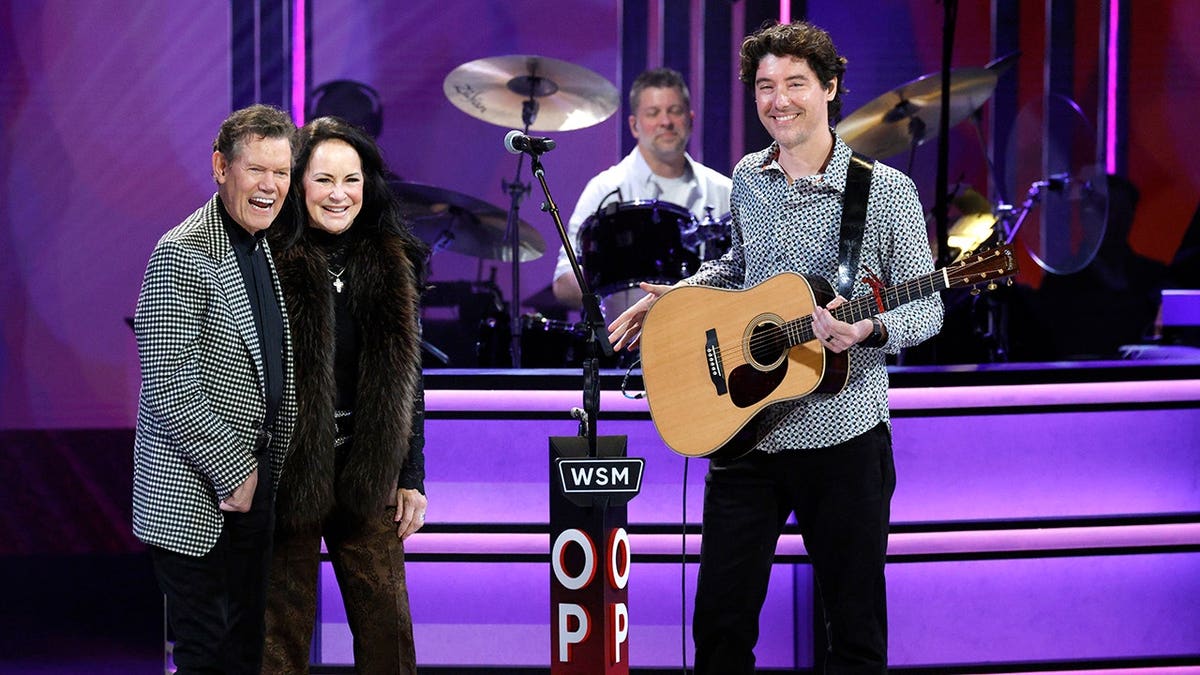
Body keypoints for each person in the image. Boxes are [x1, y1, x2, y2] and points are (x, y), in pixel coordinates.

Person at [608, 22, 943, 673]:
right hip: (747, 433)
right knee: (720, 630)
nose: (779, 99)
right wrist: (673, 300)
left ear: (830, 87)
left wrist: (870, 329)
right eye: (766, 86)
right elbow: (741, 268)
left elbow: (927, 306)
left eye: (795, 83)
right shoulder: (748, 178)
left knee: (853, 634)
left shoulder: (885, 191)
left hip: (844, 436)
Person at [132, 103, 298, 674]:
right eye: (257, 169)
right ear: (220, 168)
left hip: (255, 493)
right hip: (196, 497)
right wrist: (237, 473)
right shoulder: (181, 252)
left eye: (281, 172)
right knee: (206, 656)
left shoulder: (263, 244)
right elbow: (170, 388)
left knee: (245, 653)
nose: (270, 186)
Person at [261, 116, 429, 674]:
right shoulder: (267, 257)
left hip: (368, 467)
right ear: (298, 184)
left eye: (351, 180)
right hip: (287, 471)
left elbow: (409, 379)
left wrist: (411, 476)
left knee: (389, 636)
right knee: (279, 639)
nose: (339, 195)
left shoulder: (389, 258)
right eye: (323, 180)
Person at [551, 67, 732, 312]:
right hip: (626, 345)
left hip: (708, 342)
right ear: (634, 125)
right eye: (653, 113)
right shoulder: (605, 189)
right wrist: (604, 277)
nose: (665, 122)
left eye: (674, 111)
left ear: (690, 119)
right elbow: (563, 283)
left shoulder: (725, 190)